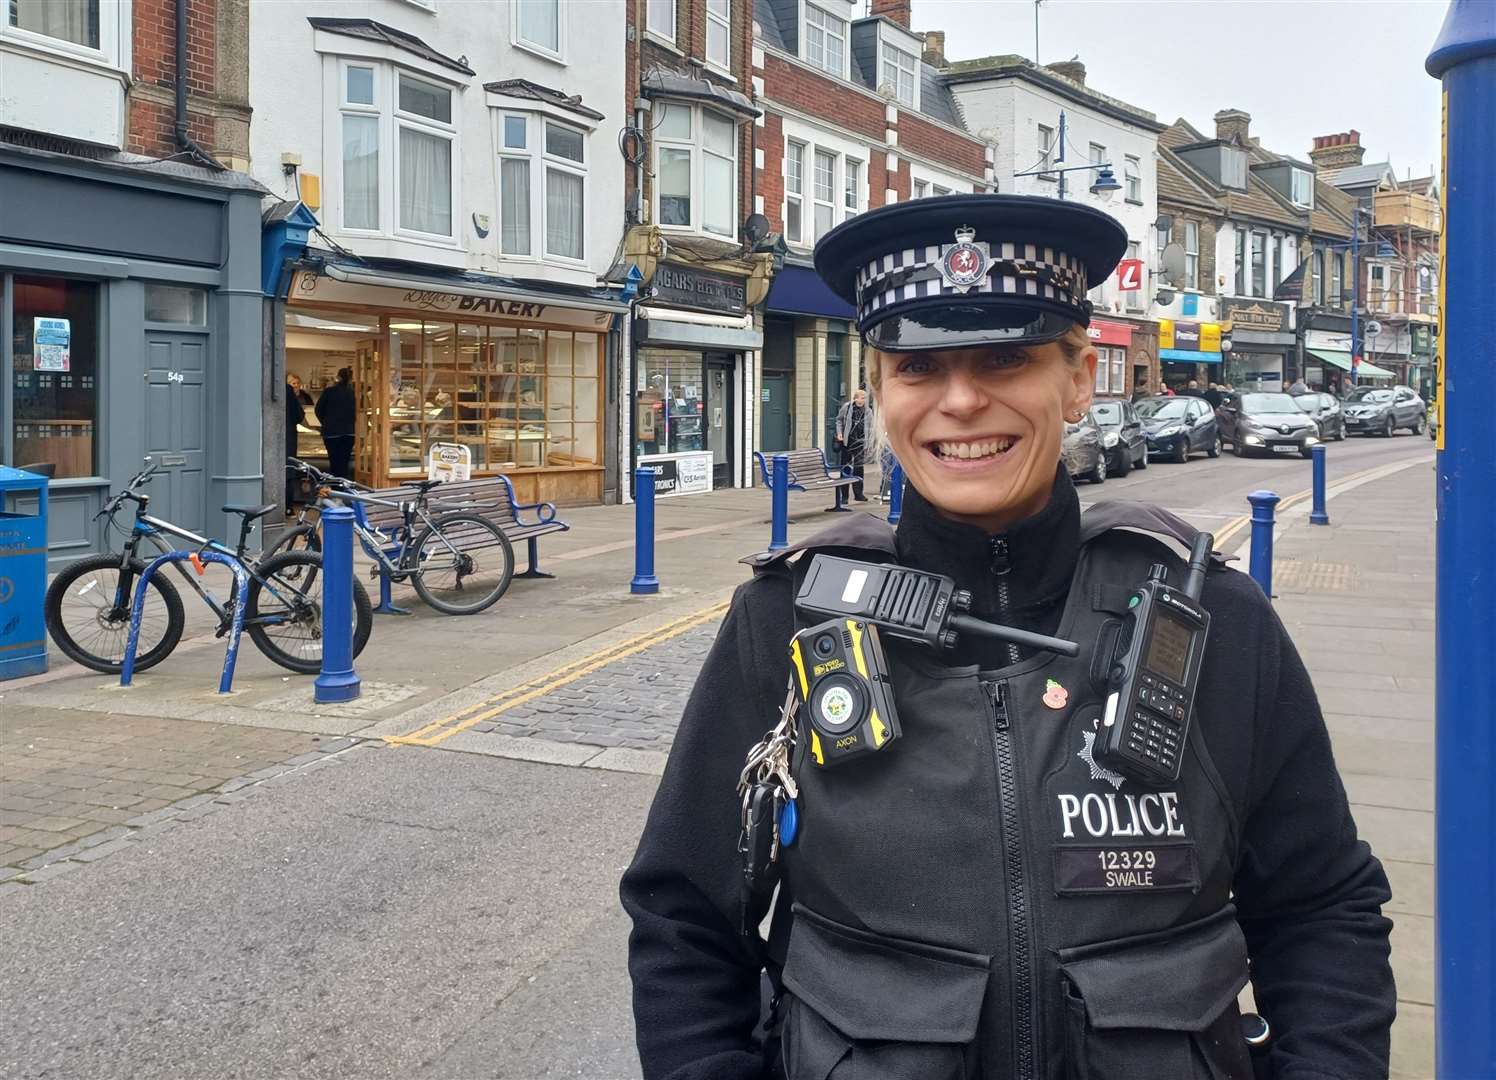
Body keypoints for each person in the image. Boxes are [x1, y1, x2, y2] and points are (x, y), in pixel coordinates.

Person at [621, 194, 1395, 1080]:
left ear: (1076, 381)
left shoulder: (1214, 618)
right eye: (917, 367)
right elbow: (683, 918)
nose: (960, 400)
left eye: (1004, 358)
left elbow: (1322, 907)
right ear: (877, 391)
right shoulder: (786, 619)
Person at [315, 366, 357, 480]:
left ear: (338, 378)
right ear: (351, 379)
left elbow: (318, 410)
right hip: (349, 432)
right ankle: (344, 486)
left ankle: (335, 486)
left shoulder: (329, 392)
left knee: (334, 462)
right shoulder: (354, 394)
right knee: (344, 462)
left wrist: (325, 423)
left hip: (331, 433)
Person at [833, 388, 870, 502]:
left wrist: (868, 442)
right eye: (861, 398)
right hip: (847, 442)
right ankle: (844, 496)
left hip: (860, 442)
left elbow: (870, 427)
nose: (863, 401)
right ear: (855, 398)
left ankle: (859, 494)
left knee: (859, 468)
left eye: (864, 399)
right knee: (846, 468)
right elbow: (838, 420)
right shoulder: (847, 407)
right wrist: (839, 433)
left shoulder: (868, 411)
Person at [285, 376, 306, 513]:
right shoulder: (289, 392)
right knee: (288, 471)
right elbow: (299, 416)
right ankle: (288, 507)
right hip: (288, 438)